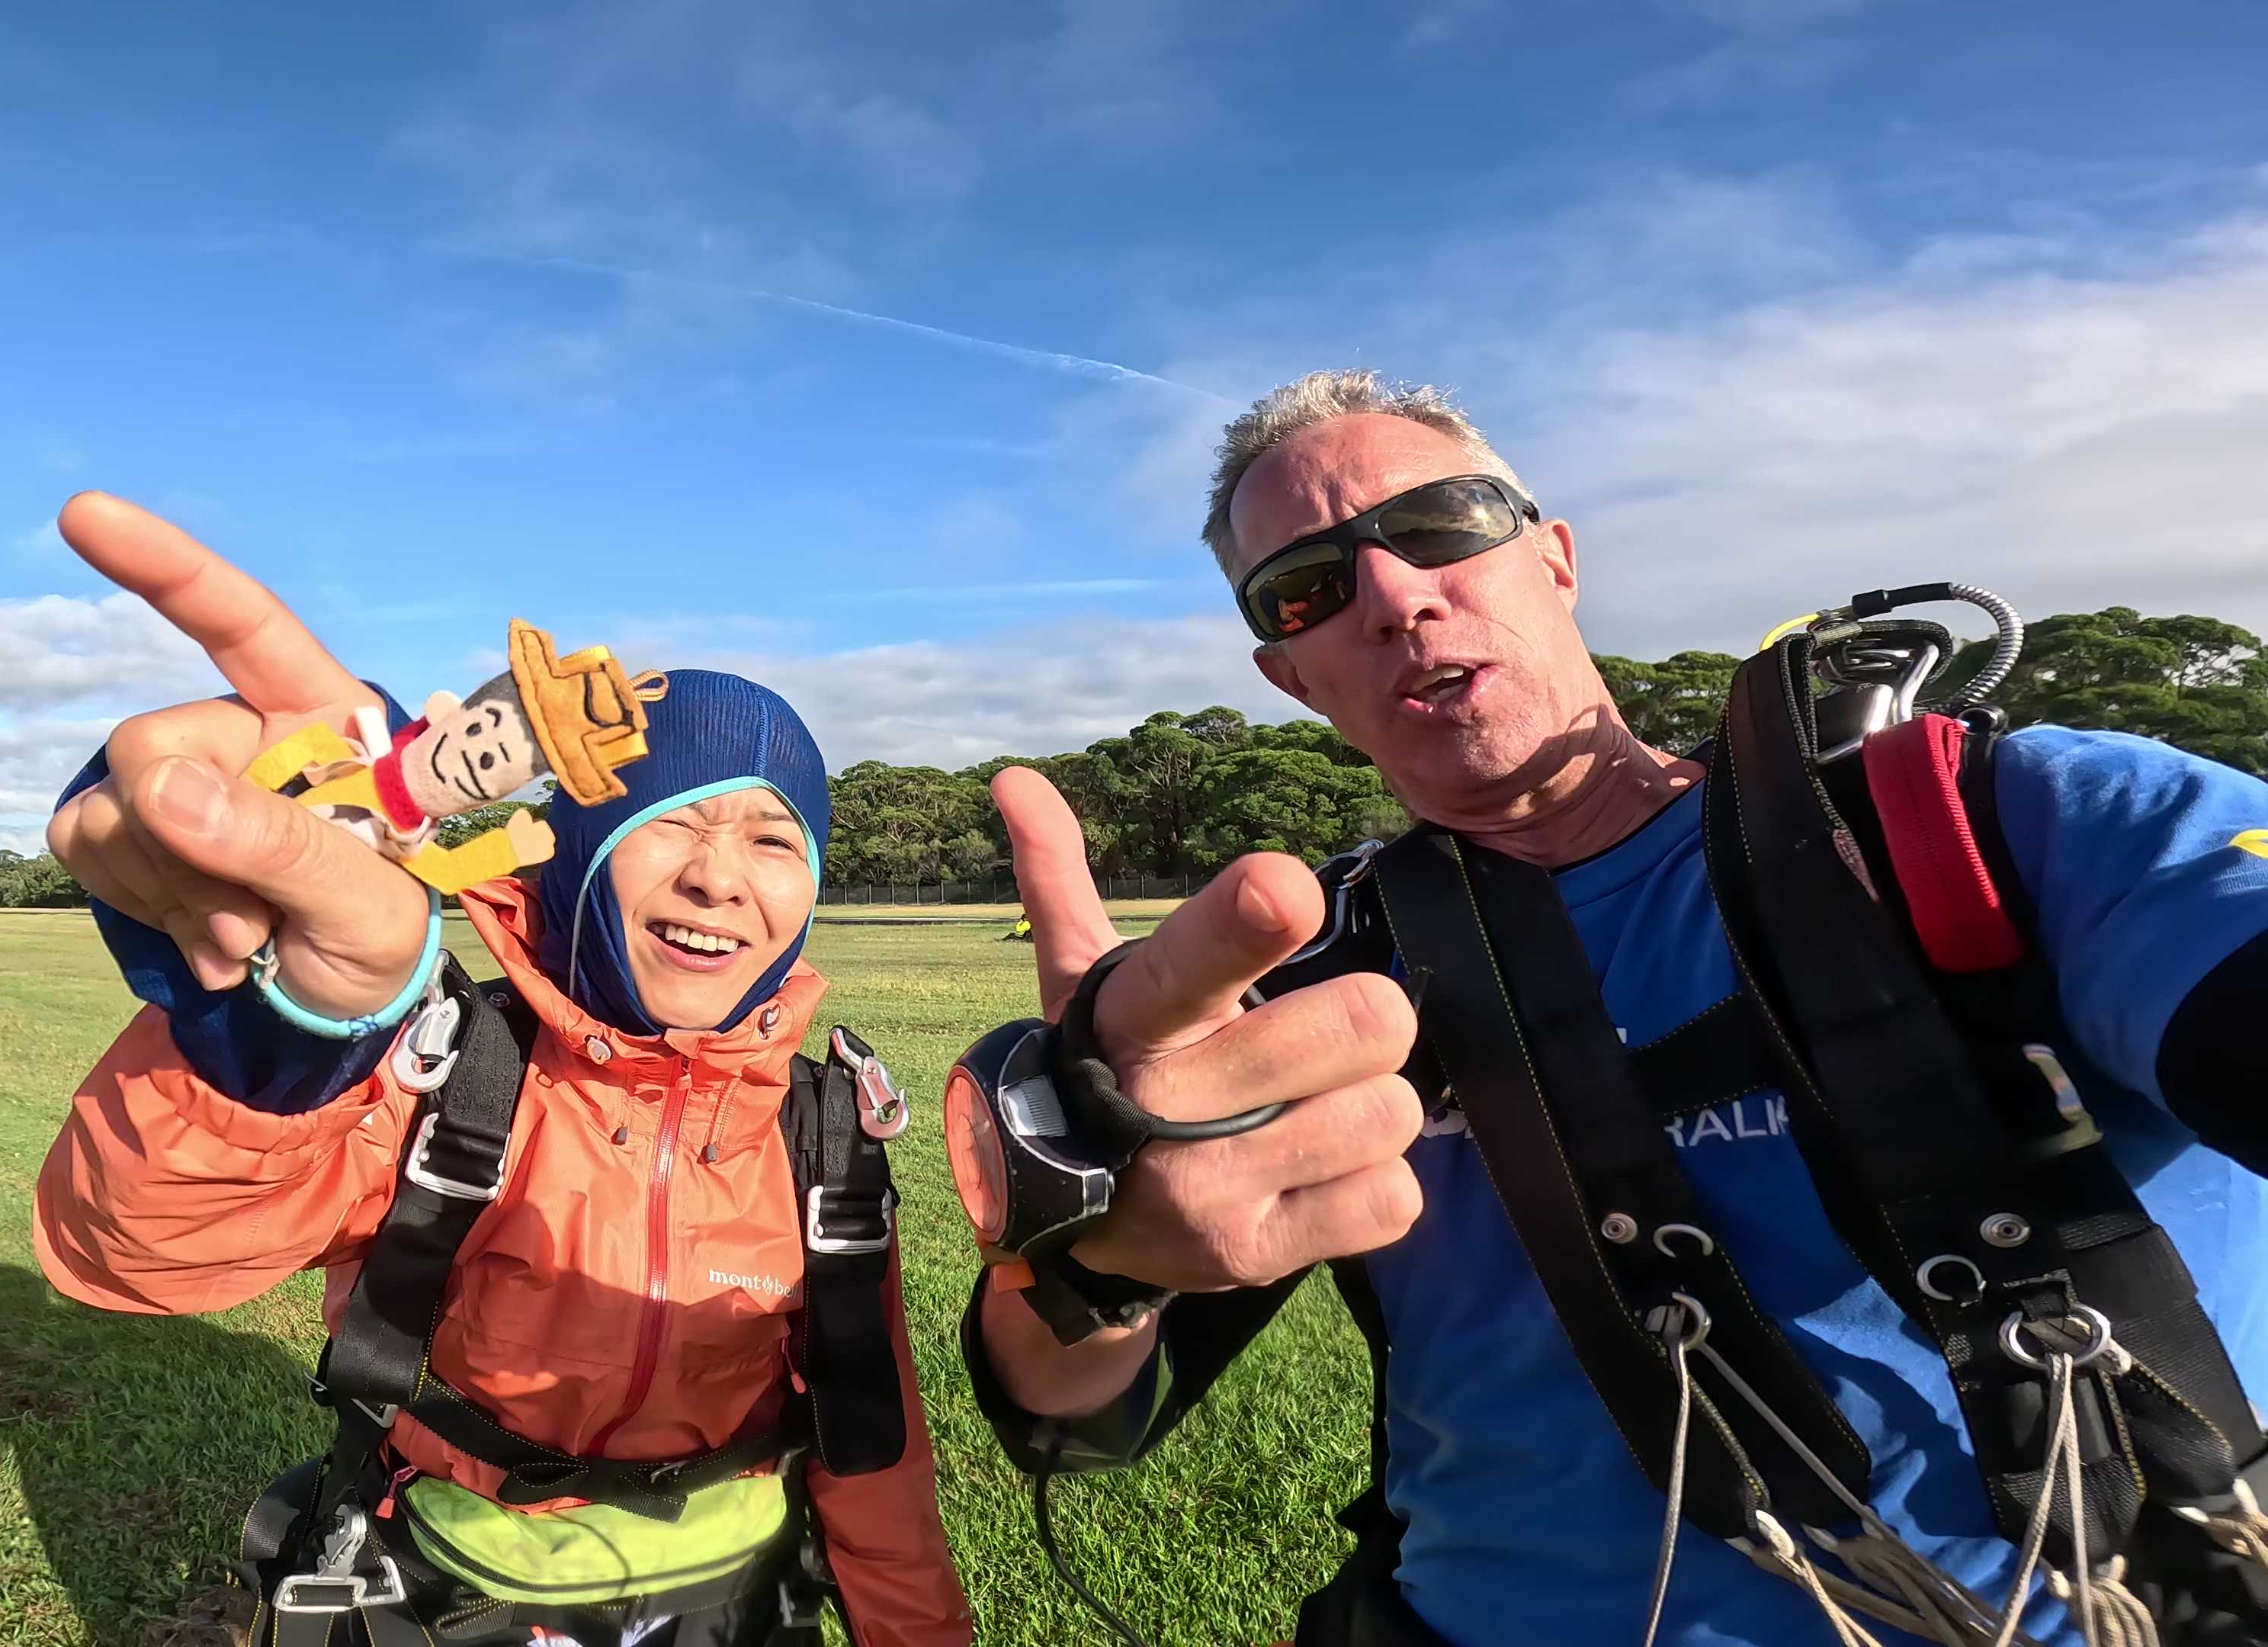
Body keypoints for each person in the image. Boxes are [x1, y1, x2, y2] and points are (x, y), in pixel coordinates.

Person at [953, 372, 2268, 1645]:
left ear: (1556, 558)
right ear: (1291, 674)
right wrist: (1094, 1254)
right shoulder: (1312, 983)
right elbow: (1064, 1420)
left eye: (1435, 526)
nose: (1396, 596)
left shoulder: (2010, 826)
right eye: (1309, 586)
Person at [27, 493, 975, 1646]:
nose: (722, 880)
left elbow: (872, 1443)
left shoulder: (823, 1131)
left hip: (742, 1611)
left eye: (775, 839)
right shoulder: (449, 1072)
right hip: (447, 1598)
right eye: (670, 823)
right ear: (573, 857)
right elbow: (139, 1253)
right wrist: (280, 1035)